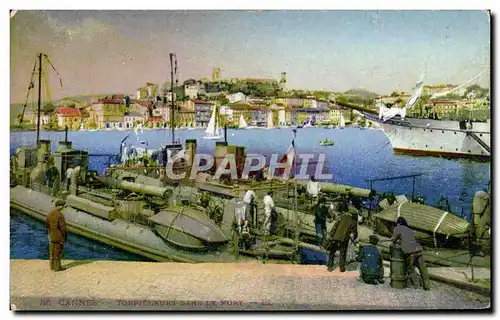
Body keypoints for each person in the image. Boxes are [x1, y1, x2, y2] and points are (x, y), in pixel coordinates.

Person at [391, 217, 430, 291]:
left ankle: (417, 285)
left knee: (410, 268)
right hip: (418, 250)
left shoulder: (398, 228)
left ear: (398, 223)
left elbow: (392, 239)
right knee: (423, 269)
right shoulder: (410, 229)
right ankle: (427, 286)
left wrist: (398, 241)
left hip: (410, 252)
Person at [325, 202, 358, 272]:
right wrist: (354, 238)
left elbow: (335, 226)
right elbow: (355, 233)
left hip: (335, 237)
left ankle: (330, 267)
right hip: (344, 239)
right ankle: (342, 268)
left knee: (332, 252)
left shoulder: (341, 217)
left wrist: (331, 235)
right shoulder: (353, 221)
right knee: (343, 253)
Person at [46, 199, 68, 272]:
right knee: (58, 252)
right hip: (59, 236)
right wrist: (65, 236)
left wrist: (49, 234)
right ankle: (57, 268)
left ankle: (52, 266)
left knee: (52, 252)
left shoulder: (49, 214)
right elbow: (63, 227)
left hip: (51, 235)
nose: (63, 207)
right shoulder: (60, 215)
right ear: (60, 206)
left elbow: (47, 226)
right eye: (63, 206)